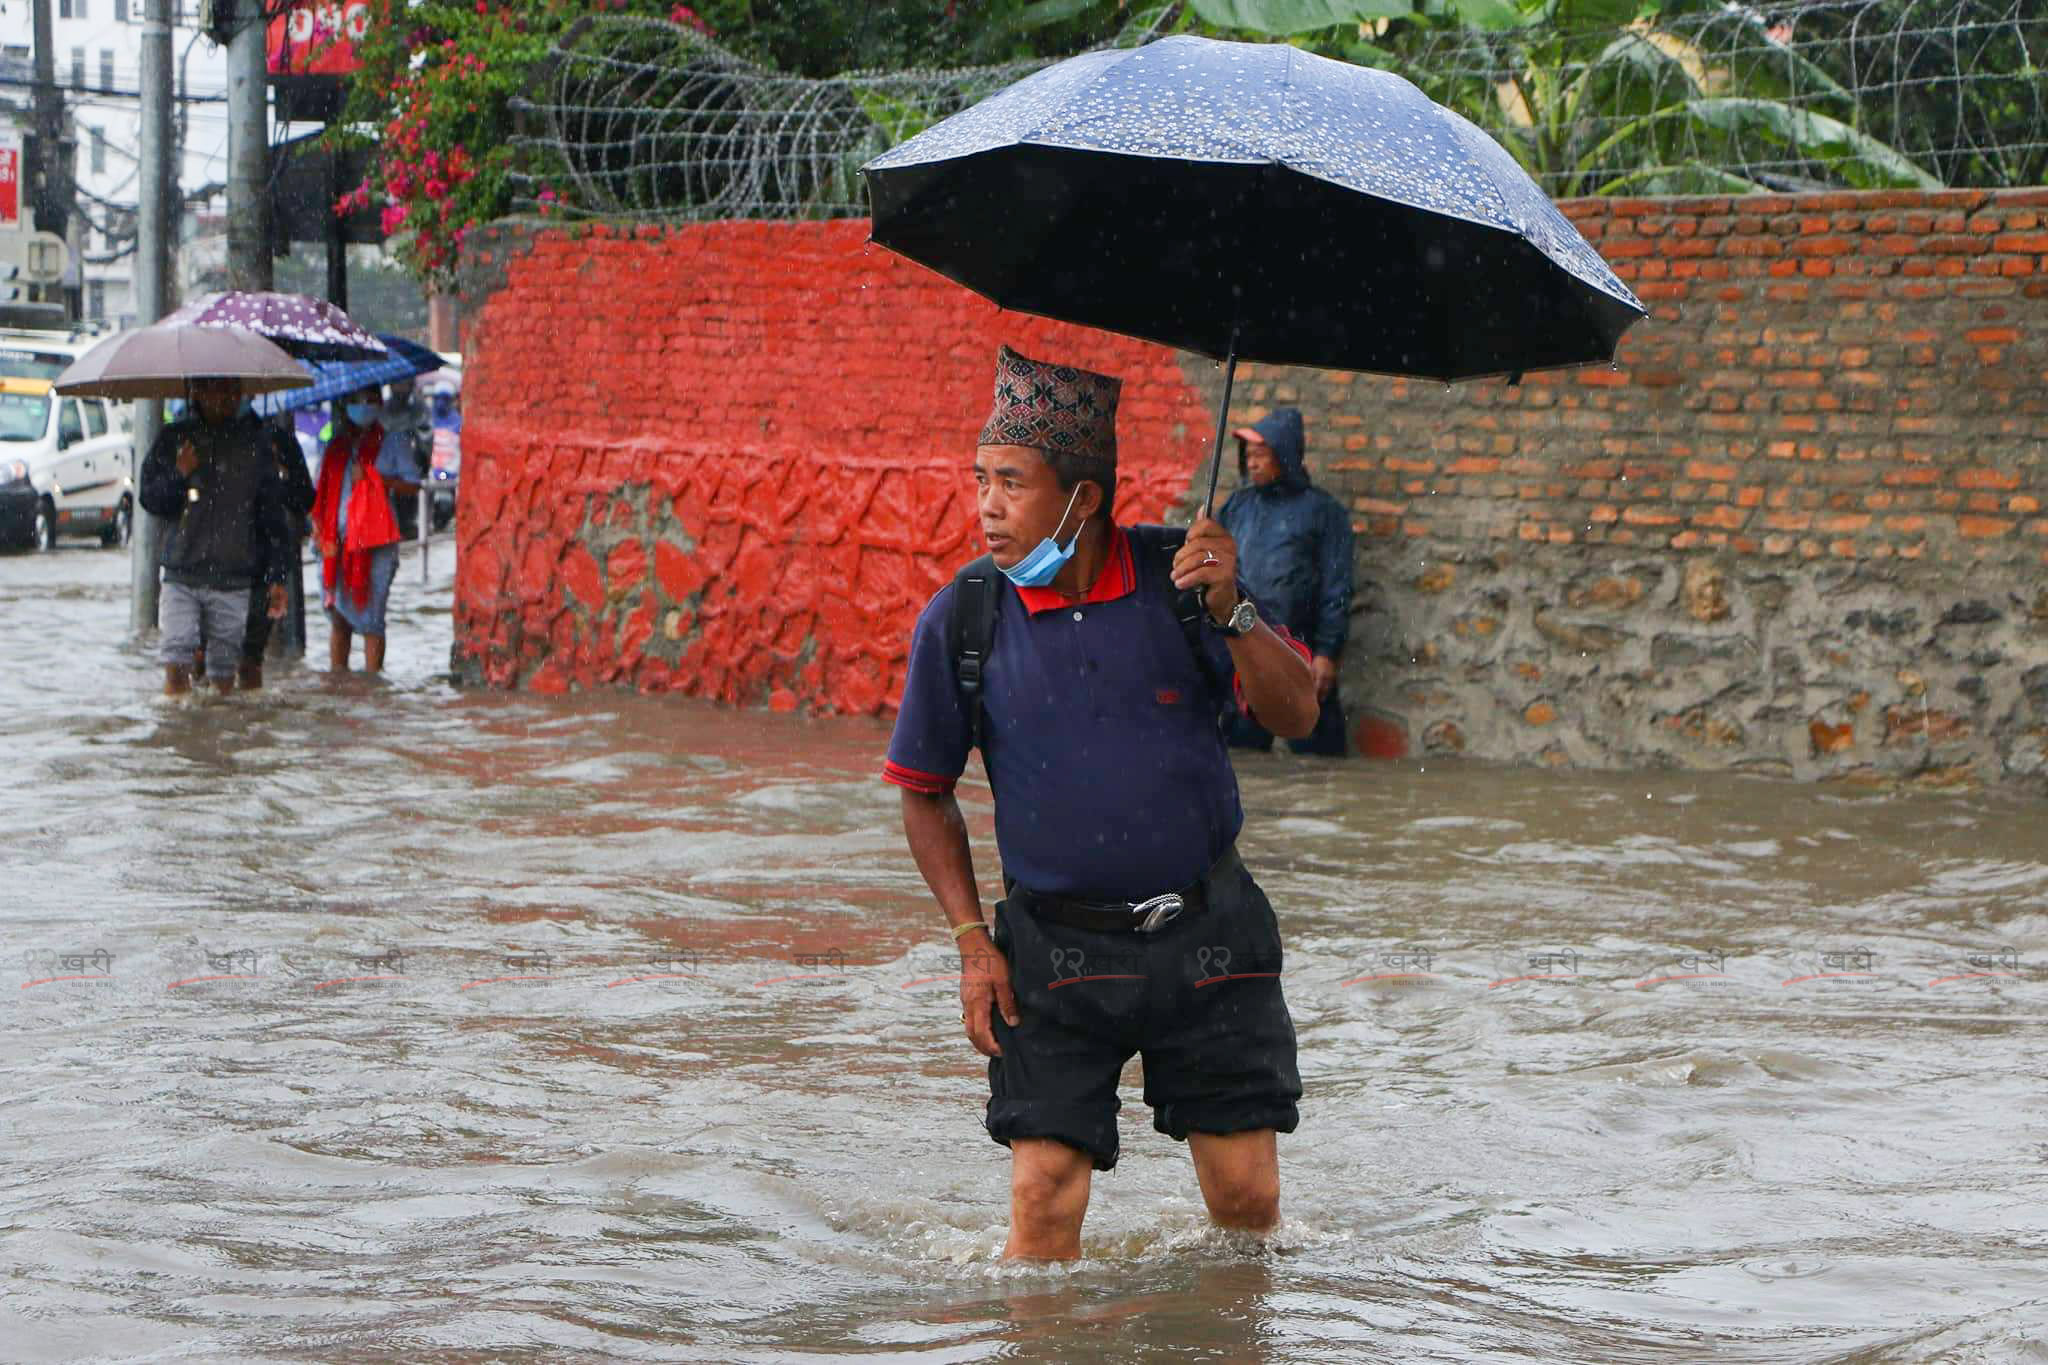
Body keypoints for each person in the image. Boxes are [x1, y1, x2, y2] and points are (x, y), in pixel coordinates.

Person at [885, 344, 1320, 1262]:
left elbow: (1297, 712)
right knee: (1042, 1205)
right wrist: (972, 943)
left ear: (1082, 498)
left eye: (1011, 482)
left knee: (1245, 1204)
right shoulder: (965, 618)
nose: (987, 506)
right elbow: (925, 795)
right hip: (1056, 951)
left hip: (1211, 938)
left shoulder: (1188, 589)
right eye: (980, 480)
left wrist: (1236, 607)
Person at [138, 378, 292, 697]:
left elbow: (272, 519)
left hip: (233, 578)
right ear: (198, 391)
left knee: (224, 676)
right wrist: (180, 472)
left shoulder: (255, 445)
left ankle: (219, 731)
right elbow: (151, 500)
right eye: (218, 389)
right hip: (182, 573)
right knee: (177, 658)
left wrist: (277, 576)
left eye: (234, 390)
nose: (227, 398)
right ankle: (179, 730)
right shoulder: (174, 439)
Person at [1216, 408, 1356, 757]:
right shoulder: (1237, 506)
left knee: (1317, 762)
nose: (1254, 464)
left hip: (1303, 654)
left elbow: (1336, 587)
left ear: (1286, 455)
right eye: (1249, 456)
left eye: (1262, 455)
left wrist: (1327, 652)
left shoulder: (1323, 512)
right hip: (1246, 651)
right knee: (1243, 758)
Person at [312, 385, 419, 674]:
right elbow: (319, 494)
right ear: (346, 405)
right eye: (358, 401)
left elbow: (413, 484)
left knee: (373, 619)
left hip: (377, 544)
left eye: (371, 400)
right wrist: (319, 532)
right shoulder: (335, 446)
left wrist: (376, 479)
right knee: (339, 619)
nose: (365, 406)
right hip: (337, 544)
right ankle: (339, 682)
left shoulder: (393, 442)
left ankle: (373, 685)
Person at [234, 406, 319, 689]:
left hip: (266, 562)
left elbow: (304, 497)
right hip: (221, 564)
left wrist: (278, 478)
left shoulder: (276, 440)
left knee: (252, 656)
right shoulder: (202, 439)